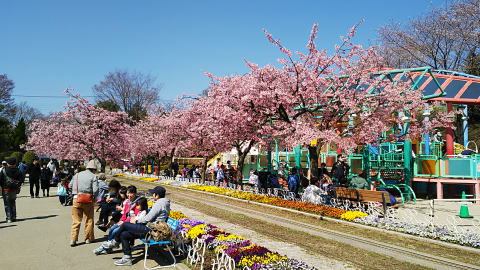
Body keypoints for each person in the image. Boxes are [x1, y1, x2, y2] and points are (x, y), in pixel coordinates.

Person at [103, 186, 170, 266]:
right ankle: (127, 258)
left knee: (125, 224)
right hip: (151, 228)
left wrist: (137, 220)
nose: (152, 195)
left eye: (153, 193)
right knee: (124, 234)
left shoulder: (159, 204)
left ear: (157, 195)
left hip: (151, 230)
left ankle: (115, 242)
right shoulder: (163, 203)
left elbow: (148, 218)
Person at [69, 160, 99, 247]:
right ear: (93, 169)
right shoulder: (93, 176)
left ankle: (73, 239)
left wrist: (75, 192)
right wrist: (94, 198)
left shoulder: (77, 175)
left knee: (76, 220)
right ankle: (88, 238)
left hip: (76, 199)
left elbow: (70, 185)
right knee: (89, 220)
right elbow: (96, 190)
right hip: (88, 201)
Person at [0, 158, 24, 223]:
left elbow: (1, 179)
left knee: (7, 204)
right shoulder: (18, 170)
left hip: (6, 189)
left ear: (8, 163)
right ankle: (14, 217)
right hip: (14, 189)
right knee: (13, 202)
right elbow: (21, 179)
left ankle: (9, 218)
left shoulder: (4, 170)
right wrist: (17, 185)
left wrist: (3, 186)